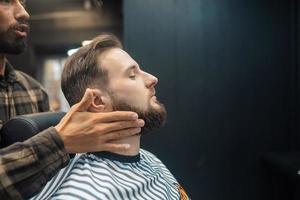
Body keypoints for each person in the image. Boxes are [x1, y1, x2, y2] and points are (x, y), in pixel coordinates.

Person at [0, 1, 144, 199]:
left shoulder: (33, 90)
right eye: (5, 1)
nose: (24, 13)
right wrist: (59, 142)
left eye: (23, 2)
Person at [31, 34, 190, 200]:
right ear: (98, 101)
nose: (152, 79)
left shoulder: (150, 160)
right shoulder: (86, 193)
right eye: (132, 75)